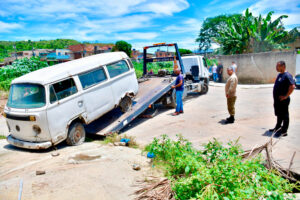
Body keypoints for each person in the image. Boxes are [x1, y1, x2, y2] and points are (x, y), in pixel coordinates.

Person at [270, 61, 295, 137]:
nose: (276, 68)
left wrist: (286, 96)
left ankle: (284, 131)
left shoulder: (287, 75)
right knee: (279, 114)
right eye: (276, 66)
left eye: (278, 66)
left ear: (283, 66)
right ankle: (277, 128)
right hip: (278, 100)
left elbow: (292, 86)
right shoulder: (280, 75)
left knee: (285, 115)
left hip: (283, 100)